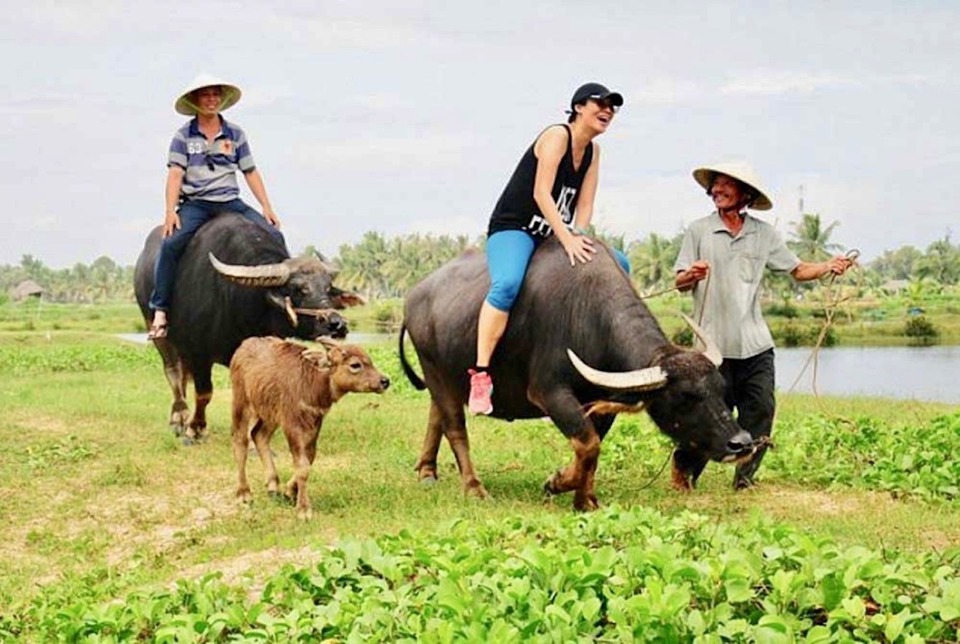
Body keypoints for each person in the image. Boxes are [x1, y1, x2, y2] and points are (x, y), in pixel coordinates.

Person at [673, 161, 854, 489]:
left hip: (755, 344)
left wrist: (829, 265)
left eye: (726, 185)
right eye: (714, 185)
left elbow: (797, 270)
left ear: (745, 194)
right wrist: (691, 274)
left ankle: (744, 480)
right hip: (712, 349)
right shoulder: (698, 231)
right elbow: (680, 282)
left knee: (760, 410)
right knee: (710, 416)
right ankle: (684, 473)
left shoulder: (764, 234)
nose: (717, 190)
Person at [468, 82, 630, 415]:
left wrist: (578, 235)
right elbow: (542, 193)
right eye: (600, 104)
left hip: (553, 234)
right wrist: (566, 239)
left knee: (620, 264)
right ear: (578, 107)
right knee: (508, 284)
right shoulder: (557, 136)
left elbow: (585, 203)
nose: (607, 111)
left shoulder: (594, 152)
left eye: (612, 107)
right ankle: (481, 374)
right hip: (515, 228)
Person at [147, 73, 286, 339]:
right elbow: (175, 174)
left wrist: (266, 206)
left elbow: (250, 171)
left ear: (221, 99)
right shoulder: (183, 136)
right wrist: (169, 212)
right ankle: (161, 309)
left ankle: (284, 301)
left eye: (215, 95)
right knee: (169, 244)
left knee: (275, 235)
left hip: (230, 202)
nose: (211, 100)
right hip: (197, 204)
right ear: (196, 101)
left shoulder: (235, 134)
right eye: (205, 95)